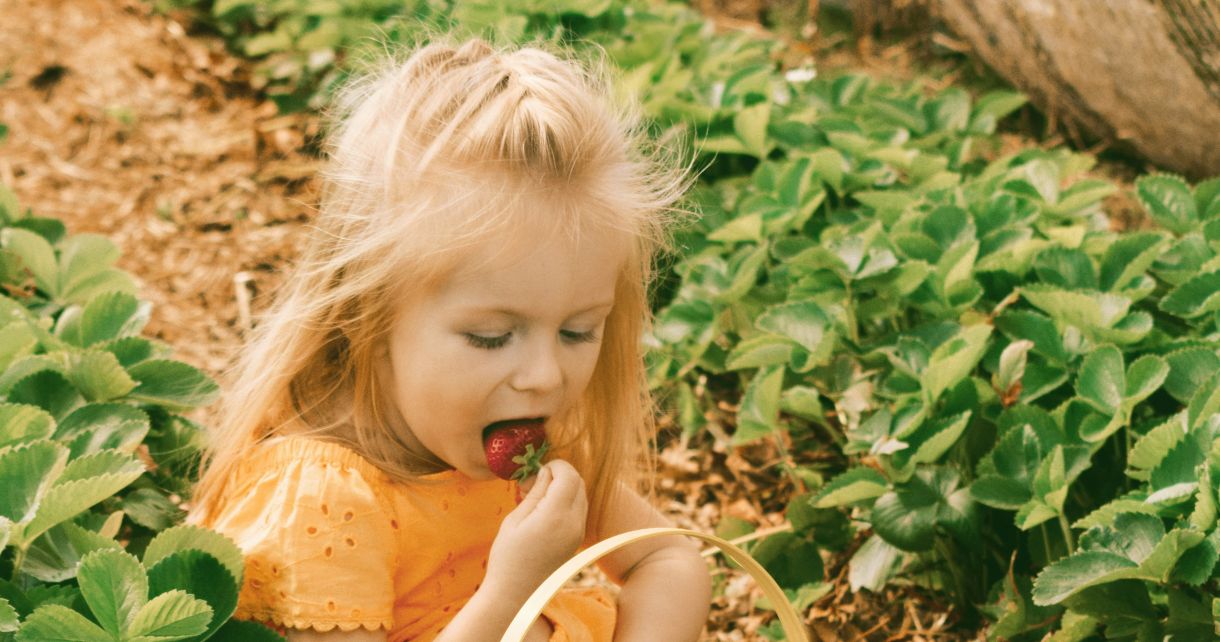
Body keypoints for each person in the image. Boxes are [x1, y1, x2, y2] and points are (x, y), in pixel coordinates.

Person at [184, 29, 713, 642]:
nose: (544, 374)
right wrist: (512, 590)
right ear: (368, 318)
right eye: (491, 337)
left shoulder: (537, 458)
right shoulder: (324, 502)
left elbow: (665, 558)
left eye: (578, 330)